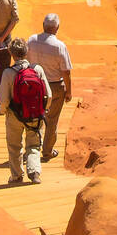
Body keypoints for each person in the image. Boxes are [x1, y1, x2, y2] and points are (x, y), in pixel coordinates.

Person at [0, 36, 51, 185]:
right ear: (26, 52)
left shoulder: (8, 73)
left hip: (14, 115)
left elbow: (3, 99)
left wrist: (4, 111)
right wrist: (43, 110)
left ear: (12, 54)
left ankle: (16, 176)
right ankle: (34, 173)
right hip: (35, 115)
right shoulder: (37, 69)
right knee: (33, 145)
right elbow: (49, 94)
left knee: (14, 146)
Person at [27, 14, 73, 161]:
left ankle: (32, 148)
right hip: (54, 87)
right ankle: (47, 151)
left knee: (35, 117)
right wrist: (69, 91)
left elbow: (26, 61)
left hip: (35, 84)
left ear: (43, 25)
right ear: (57, 28)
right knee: (52, 120)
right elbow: (66, 71)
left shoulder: (31, 40)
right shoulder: (60, 46)